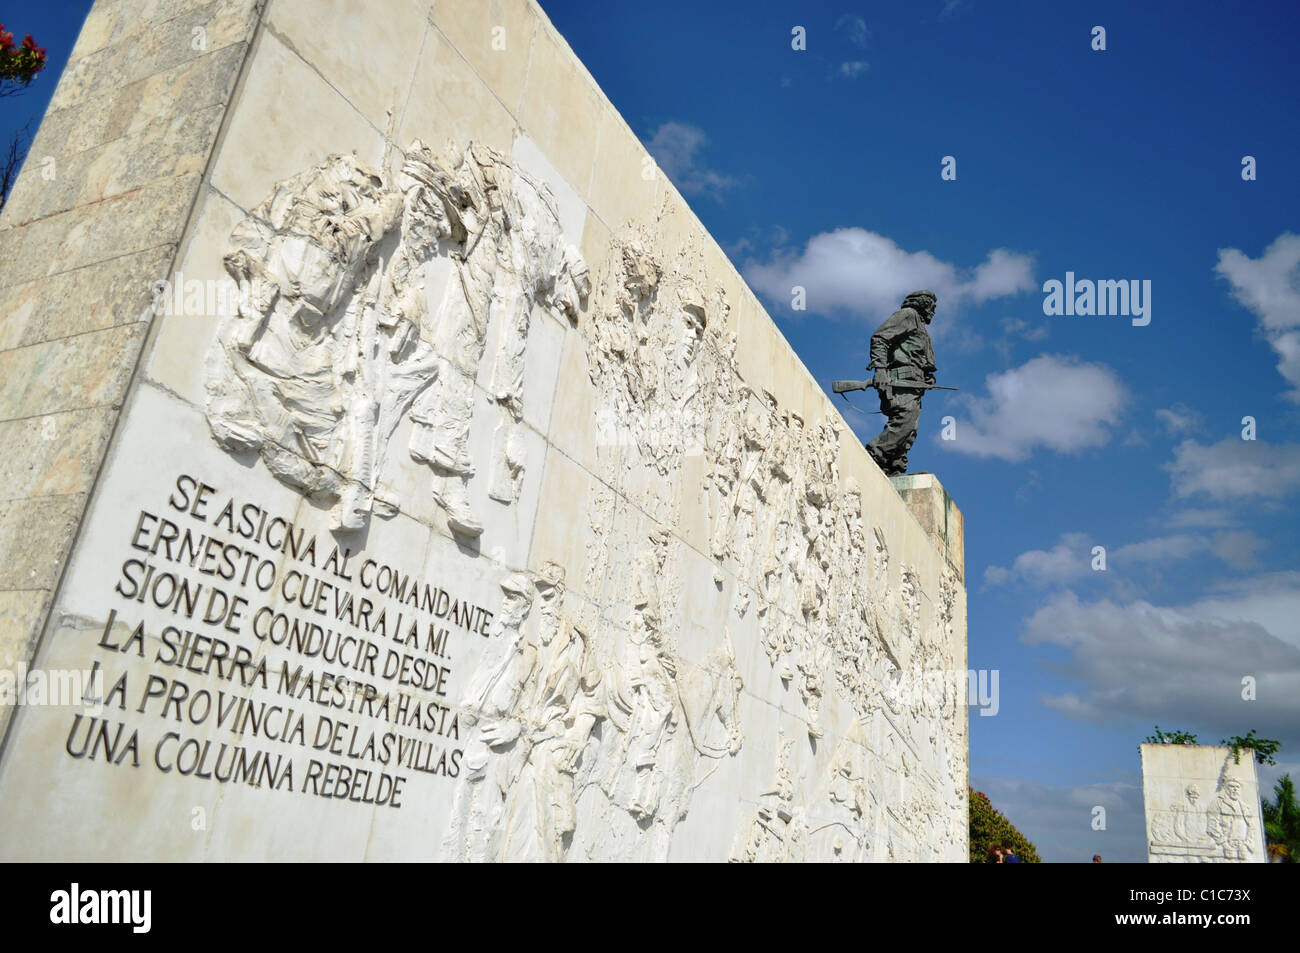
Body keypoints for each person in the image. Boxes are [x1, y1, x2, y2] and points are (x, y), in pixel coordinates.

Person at [864, 290, 939, 476]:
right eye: (932, 306)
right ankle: (873, 455)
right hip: (899, 380)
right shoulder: (908, 315)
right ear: (922, 303)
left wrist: (926, 376)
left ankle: (893, 468)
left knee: (910, 430)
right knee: (905, 420)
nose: (934, 311)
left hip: (914, 385)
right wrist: (880, 369)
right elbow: (880, 338)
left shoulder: (920, 325)